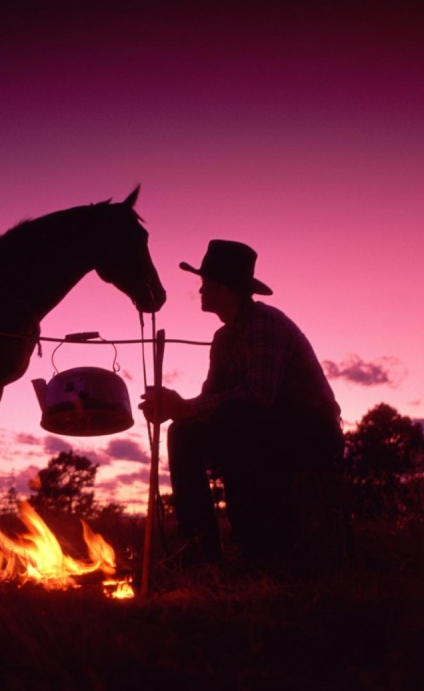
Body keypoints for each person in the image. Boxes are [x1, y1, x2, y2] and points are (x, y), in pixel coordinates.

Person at [140, 240, 344, 568]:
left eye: (205, 283)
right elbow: (211, 402)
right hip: (264, 429)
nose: (201, 290)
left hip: (312, 432)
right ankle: (199, 545)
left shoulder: (266, 323)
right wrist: (176, 409)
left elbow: (259, 395)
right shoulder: (223, 339)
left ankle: (263, 547)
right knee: (183, 433)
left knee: (244, 423)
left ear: (221, 287)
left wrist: (186, 407)